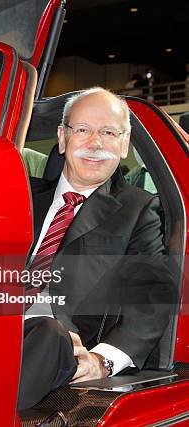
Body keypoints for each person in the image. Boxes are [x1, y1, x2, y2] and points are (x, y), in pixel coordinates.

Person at [18, 87, 174, 409]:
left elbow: (152, 297)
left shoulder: (139, 211)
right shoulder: (18, 194)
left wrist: (102, 360)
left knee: (50, 333)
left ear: (124, 143)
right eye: (84, 130)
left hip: (54, 346)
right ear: (62, 138)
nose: (96, 143)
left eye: (108, 132)